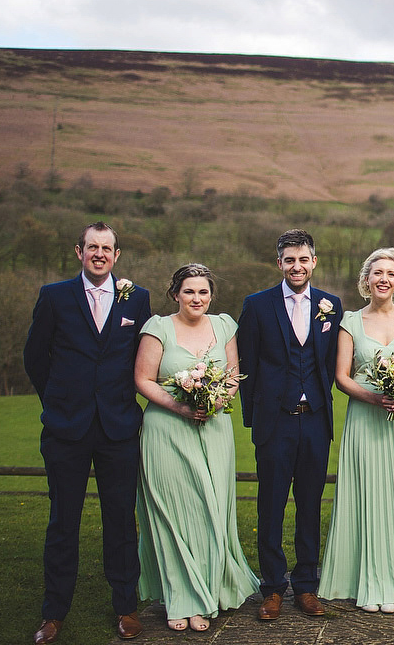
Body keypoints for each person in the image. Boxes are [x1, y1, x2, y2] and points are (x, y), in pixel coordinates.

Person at [23, 222, 152, 644]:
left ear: (117, 256)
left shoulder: (138, 298)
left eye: (107, 248)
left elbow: (145, 358)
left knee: (120, 521)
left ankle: (126, 608)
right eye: (92, 247)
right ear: (79, 251)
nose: (99, 254)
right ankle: (54, 614)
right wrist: (58, 402)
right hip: (66, 429)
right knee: (63, 523)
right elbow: (34, 358)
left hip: (118, 428)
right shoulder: (54, 296)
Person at [133, 264, 259, 632]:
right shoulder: (157, 327)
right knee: (173, 515)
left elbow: (234, 375)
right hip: (167, 430)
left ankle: (209, 592)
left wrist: (216, 402)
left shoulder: (224, 326)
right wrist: (180, 406)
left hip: (214, 429)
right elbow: (143, 378)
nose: (196, 299)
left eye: (203, 292)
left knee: (211, 510)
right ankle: (181, 599)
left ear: (211, 295)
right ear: (175, 294)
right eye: (189, 291)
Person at [319, 248, 394, 613]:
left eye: (390, 273)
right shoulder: (350, 322)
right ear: (366, 280)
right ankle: (371, 581)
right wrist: (375, 398)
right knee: (368, 496)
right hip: (365, 420)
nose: (383, 279)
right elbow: (341, 376)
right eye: (377, 273)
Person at [238, 229, 343, 620]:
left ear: (314, 262)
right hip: (274, 423)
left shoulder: (331, 305)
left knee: (310, 505)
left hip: (315, 419)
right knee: (270, 506)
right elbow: (246, 366)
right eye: (289, 260)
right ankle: (272, 588)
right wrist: (255, 421)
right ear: (278, 262)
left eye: (303, 259)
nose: (296, 267)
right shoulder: (257, 305)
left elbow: (333, 361)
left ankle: (305, 586)